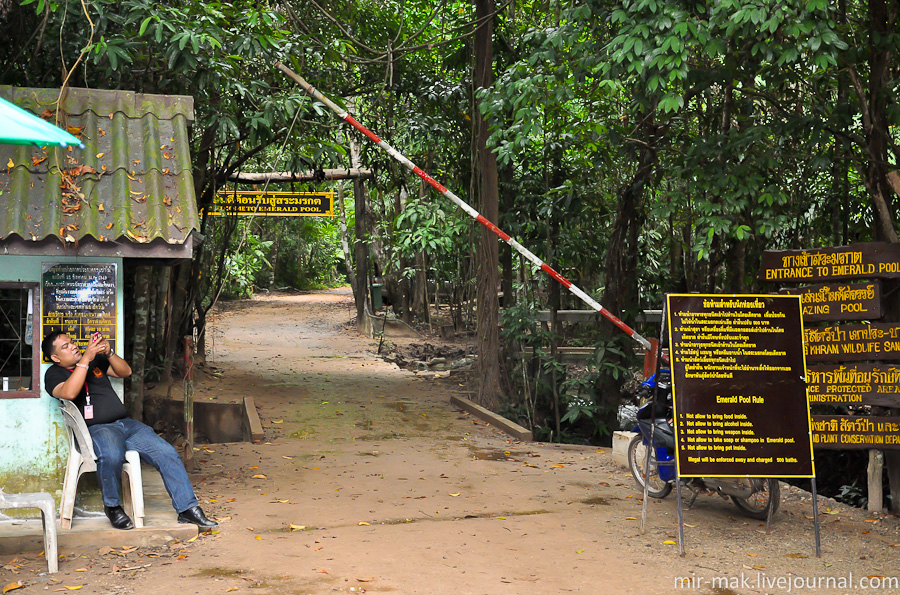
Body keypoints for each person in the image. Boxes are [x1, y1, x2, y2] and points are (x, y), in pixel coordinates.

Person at [42, 331, 217, 531]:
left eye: (71, 342)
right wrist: (85, 361)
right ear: (56, 358)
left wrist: (109, 353)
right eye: (65, 346)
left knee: (166, 452)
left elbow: (125, 372)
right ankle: (113, 507)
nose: (73, 346)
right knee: (112, 455)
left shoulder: (94, 361)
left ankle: (188, 509)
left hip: (127, 425)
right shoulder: (54, 374)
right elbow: (69, 393)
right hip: (99, 429)